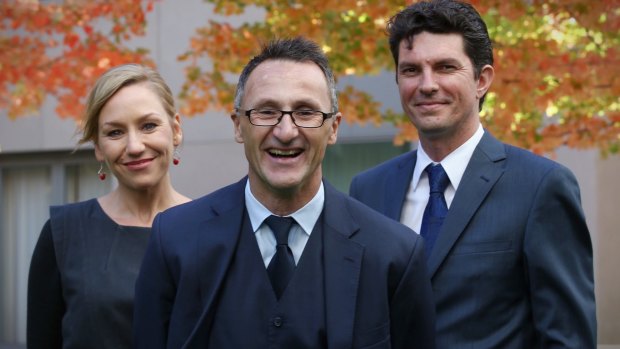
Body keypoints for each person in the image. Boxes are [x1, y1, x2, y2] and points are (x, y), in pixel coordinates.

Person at [133, 37, 436, 349]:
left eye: (306, 112)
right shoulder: (174, 239)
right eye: (266, 111)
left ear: (333, 128)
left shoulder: (393, 254)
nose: (286, 131)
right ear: (238, 126)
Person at [349, 0, 596, 347]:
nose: (427, 84)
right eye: (411, 70)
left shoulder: (541, 187)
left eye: (445, 67)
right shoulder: (367, 190)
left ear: (482, 80)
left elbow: (567, 339)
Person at [27, 64, 191, 349]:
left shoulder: (214, 229)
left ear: (175, 130)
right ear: (99, 148)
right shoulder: (63, 233)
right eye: (115, 132)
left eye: (148, 126)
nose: (135, 146)